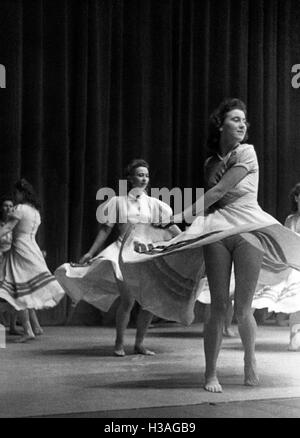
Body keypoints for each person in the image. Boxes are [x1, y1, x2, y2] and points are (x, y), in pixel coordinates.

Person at [120, 98, 300, 393]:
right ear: (220, 125)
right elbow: (214, 198)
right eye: (235, 119)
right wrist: (180, 226)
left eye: (244, 120)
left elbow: (219, 190)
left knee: (243, 308)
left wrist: (179, 215)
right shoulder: (210, 162)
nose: (242, 125)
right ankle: (210, 372)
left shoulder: (248, 152)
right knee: (218, 306)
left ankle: (250, 360)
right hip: (218, 228)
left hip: (249, 227)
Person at [55, 159, 181, 356]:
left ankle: (139, 344)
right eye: (140, 175)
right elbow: (105, 230)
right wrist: (91, 252)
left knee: (149, 303)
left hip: (147, 253)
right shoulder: (117, 202)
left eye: (146, 175)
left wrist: (185, 239)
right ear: (130, 178)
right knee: (128, 300)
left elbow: (170, 226)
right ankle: (119, 343)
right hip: (123, 252)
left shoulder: (155, 205)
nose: (144, 179)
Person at [0, 179, 65, 343]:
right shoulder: (35, 212)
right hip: (32, 249)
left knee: (19, 292)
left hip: (21, 250)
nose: (15, 196)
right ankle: (30, 329)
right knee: (21, 293)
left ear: (22, 193)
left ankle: (29, 330)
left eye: (16, 193)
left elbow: (8, 228)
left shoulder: (20, 209)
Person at [251, 182, 300, 350]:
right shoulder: (291, 219)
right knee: (295, 301)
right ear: (296, 198)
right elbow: (288, 242)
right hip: (294, 264)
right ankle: (295, 337)